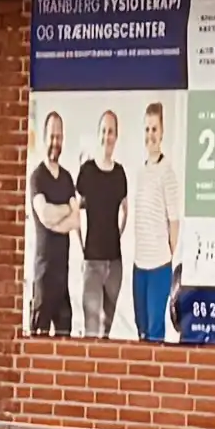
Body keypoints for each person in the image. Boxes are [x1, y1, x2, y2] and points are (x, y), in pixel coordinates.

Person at [70, 115, 130, 344]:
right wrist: (81, 243)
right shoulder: (87, 171)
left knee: (106, 333)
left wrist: (118, 235)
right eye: (104, 131)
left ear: (116, 136)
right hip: (92, 263)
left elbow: (126, 211)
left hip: (115, 265)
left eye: (111, 131)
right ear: (99, 135)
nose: (107, 136)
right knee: (91, 332)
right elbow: (75, 208)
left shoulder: (120, 174)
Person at [127, 102, 183, 341]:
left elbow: (174, 222)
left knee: (154, 332)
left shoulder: (167, 173)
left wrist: (165, 253)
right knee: (141, 330)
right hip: (139, 266)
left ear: (162, 133)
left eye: (154, 129)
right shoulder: (140, 172)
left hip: (159, 266)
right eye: (147, 129)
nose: (150, 135)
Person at [26, 115, 78, 337]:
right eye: (52, 136)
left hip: (62, 278)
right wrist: (66, 209)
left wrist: (58, 217)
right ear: (44, 138)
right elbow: (44, 215)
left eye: (59, 136)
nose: (55, 142)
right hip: (43, 277)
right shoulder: (37, 177)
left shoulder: (67, 178)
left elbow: (76, 221)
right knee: (38, 341)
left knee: (65, 336)